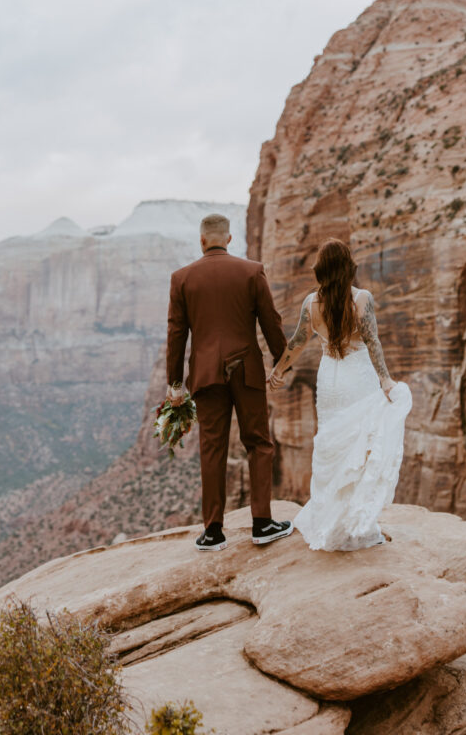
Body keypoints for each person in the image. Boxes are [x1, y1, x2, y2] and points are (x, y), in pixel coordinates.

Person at [268, 237, 412, 551]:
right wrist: (386, 380)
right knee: (358, 448)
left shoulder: (310, 304)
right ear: (348, 267)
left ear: (321, 270)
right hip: (357, 377)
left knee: (332, 446)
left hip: (330, 380)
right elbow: (373, 343)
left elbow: (297, 343)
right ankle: (357, 525)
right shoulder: (361, 299)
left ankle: (329, 519)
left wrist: (279, 369)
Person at [166, 213, 294, 551]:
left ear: (202, 240)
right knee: (258, 443)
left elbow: (176, 335)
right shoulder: (251, 271)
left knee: (212, 449)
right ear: (229, 239)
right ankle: (263, 523)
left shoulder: (182, 278)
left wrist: (175, 384)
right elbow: (271, 320)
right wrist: (282, 362)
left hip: (206, 374)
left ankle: (213, 532)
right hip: (246, 370)